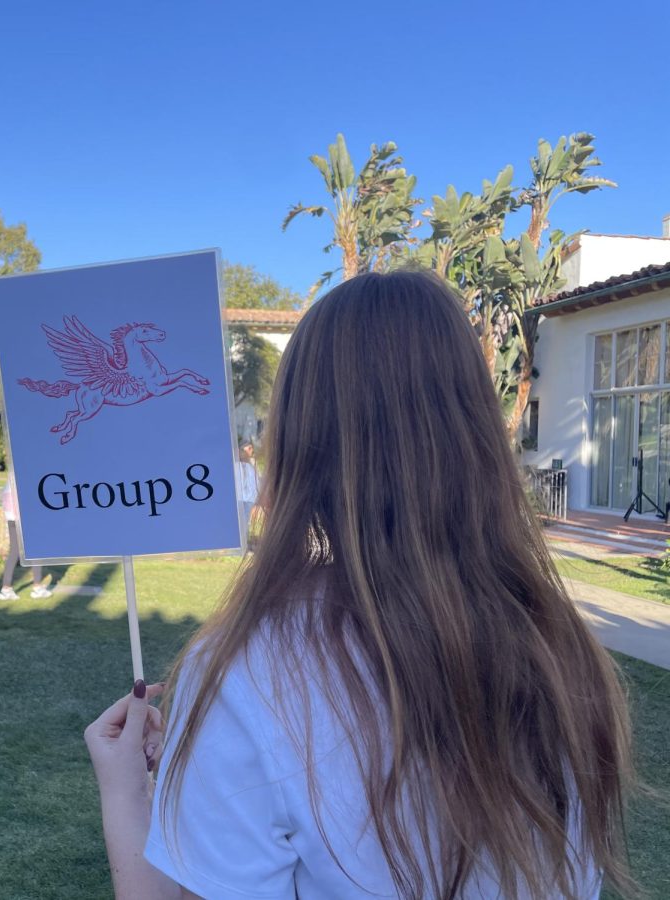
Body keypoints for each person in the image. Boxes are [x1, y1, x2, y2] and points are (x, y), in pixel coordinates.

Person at [84, 272, 636, 900]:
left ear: (299, 442)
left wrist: (126, 792)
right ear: (475, 431)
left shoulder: (248, 676)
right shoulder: (560, 647)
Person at [0, 472, 51, 599]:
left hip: (11, 516)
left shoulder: (11, 476)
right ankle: (37, 588)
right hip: (23, 518)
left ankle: (6, 589)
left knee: (14, 552)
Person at [236, 439, 259, 543]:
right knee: (242, 522)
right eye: (249, 448)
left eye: (251, 448)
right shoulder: (238, 465)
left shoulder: (250, 465)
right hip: (242, 498)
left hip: (248, 498)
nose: (251, 451)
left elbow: (255, 482)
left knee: (245, 522)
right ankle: (241, 543)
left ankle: (243, 543)